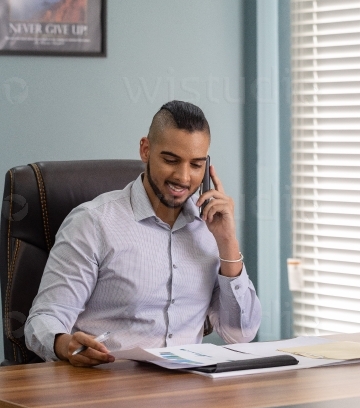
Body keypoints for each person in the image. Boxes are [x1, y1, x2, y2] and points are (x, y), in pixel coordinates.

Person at [25, 101, 261, 366]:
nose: (183, 177)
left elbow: (240, 333)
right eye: (171, 160)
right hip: (106, 388)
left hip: (187, 392)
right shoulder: (93, 222)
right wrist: (64, 344)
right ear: (146, 150)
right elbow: (43, 320)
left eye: (196, 165)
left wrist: (227, 241)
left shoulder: (211, 228)